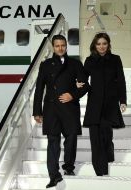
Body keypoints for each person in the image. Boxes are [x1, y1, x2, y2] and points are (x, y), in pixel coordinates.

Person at [33, 34, 89, 188]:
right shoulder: (45, 65)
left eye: (62, 45)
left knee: (71, 138)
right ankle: (53, 175)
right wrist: (37, 111)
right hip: (51, 108)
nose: (60, 48)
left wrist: (72, 94)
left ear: (66, 46)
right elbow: (39, 89)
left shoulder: (75, 64)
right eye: (57, 45)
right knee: (53, 141)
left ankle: (69, 167)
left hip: (70, 108)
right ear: (53, 47)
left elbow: (85, 85)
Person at [77, 32, 127, 176]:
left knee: (105, 138)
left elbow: (121, 82)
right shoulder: (90, 60)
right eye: (99, 44)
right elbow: (83, 80)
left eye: (104, 43)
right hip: (94, 105)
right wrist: (78, 84)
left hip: (110, 105)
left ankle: (108, 155)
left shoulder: (116, 59)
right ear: (95, 45)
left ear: (108, 44)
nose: (102, 46)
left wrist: (122, 101)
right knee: (95, 140)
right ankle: (101, 172)